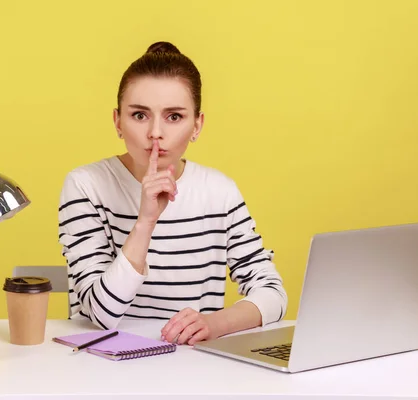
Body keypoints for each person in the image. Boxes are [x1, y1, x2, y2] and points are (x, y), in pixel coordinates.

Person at [58, 41, 288, 346]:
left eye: (174, 117)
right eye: (139, 115)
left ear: (197, 125)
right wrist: (145, 222)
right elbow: (101, 313)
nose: (155, 132)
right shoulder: (86, 185)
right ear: (117, 122)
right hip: (102, 363)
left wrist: (214, 323)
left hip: (193, 364)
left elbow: (273, 292)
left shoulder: (220, 191)